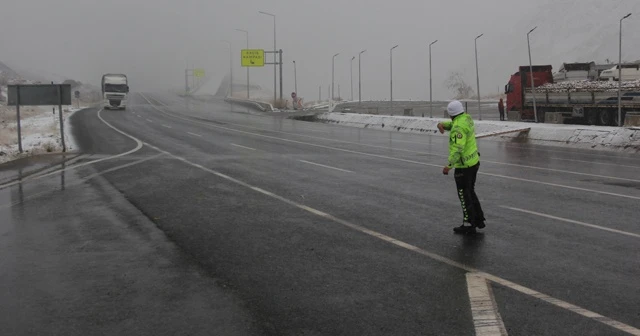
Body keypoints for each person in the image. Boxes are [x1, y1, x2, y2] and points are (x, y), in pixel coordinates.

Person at [437, 100, 486, 234]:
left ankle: (469, 223)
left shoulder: (458, 127)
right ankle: (479, 219)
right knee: (470, 191)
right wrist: (441, 125)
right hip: (474, 162)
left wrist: (449, 165)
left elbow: (458, 148)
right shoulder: (466, 118)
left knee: (464, 195)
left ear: (451, 114)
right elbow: (454, 124)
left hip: (464, 166)